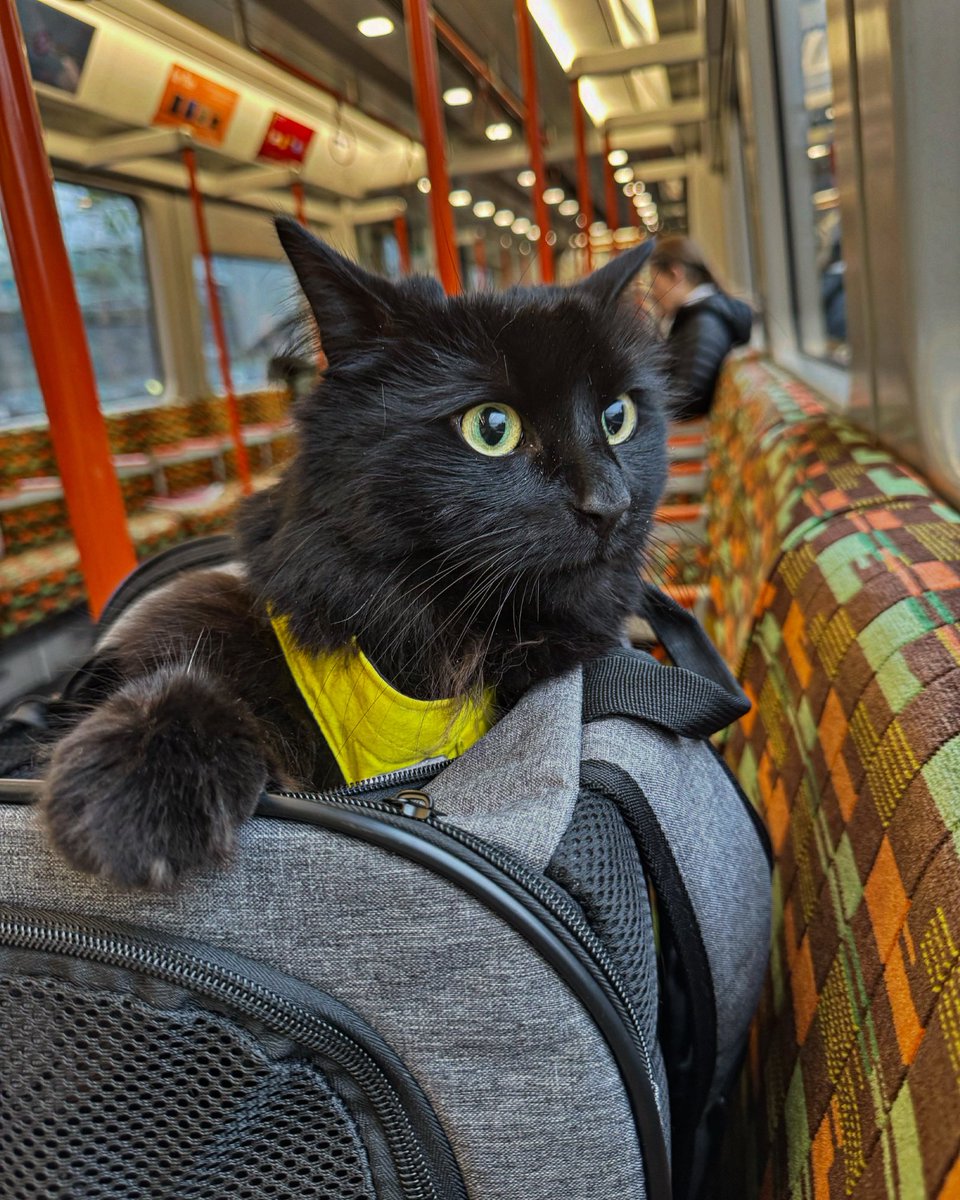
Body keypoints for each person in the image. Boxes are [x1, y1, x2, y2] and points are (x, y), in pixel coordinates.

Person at [648, 236, 753, 421]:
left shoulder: (704, 322)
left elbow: (688, 397)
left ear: (676, 274)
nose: (654, 293)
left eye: (655, 284)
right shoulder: (698, 317)